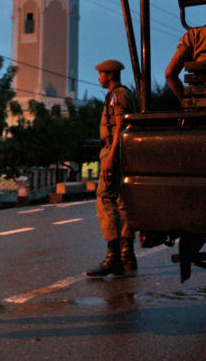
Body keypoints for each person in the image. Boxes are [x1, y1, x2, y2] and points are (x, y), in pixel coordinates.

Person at [86, 59, 138, 277]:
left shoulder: (118, 95)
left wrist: (110, 158)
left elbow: (119, 128)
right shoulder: (120, 94)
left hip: (114, 151)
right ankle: (126, 256)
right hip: (122, 152)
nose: (99, 78)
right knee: (121, 202)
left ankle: (113, 256)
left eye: (101, 74)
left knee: (104, 197)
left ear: (109, 75)